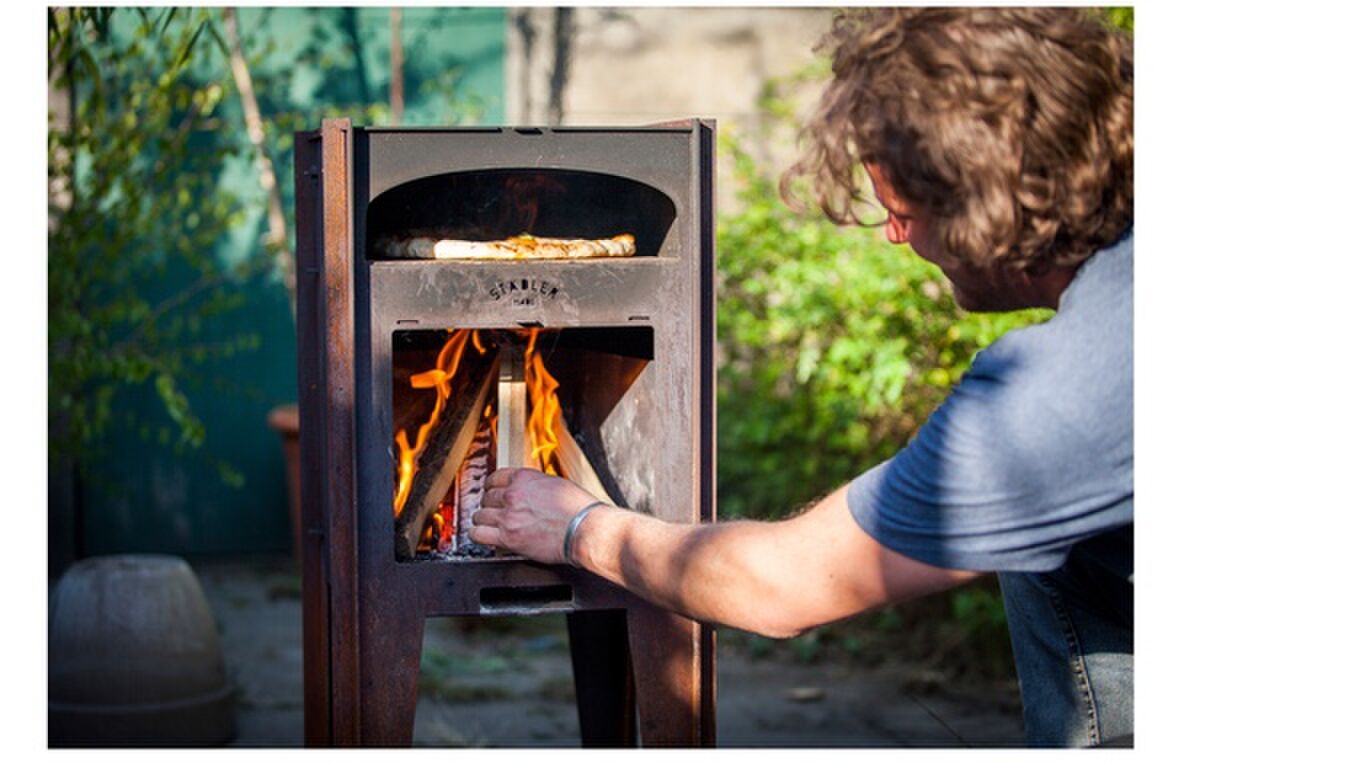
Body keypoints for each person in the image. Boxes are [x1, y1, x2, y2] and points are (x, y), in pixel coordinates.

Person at [472, 7, 1133, 747]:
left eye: (903, 211)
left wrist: (575, 526)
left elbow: (782, 587)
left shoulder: (1061, 394)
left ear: (984, 198)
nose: (893, 233)